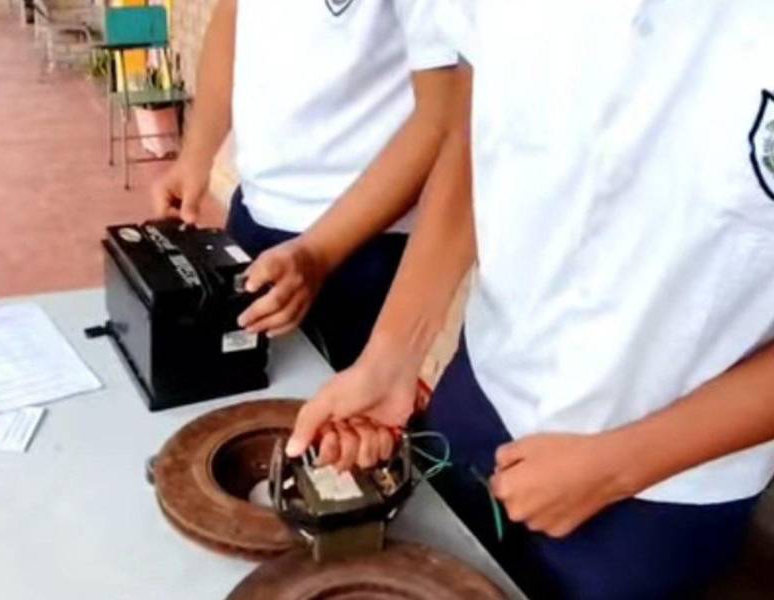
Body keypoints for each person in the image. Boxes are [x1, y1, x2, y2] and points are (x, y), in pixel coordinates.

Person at [285, 2, 774, 598]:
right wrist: (393, 353)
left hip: (662, 492)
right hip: (477, 401)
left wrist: (619, 467)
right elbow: (477, 134)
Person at [152, 0, 457, 370]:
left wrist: (318, 254)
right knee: (238, 392)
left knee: (335, 417)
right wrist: (195, 156)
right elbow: (231, 18)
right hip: (253, 215)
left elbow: (446, 115)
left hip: (362, 241)